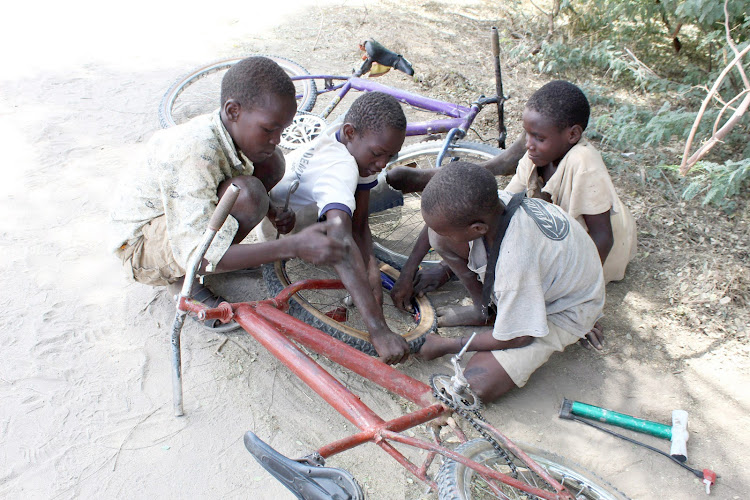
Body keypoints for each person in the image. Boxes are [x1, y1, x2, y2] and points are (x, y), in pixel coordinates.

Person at [111, 57, 346, 332]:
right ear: (233, 111)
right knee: (247, 195)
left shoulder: (227, 130)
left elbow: (239, 172)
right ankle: (185, 280)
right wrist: (290, 246)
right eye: (269, 129)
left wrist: (272, 211)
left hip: (175, 217)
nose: (277, 138)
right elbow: (197, 250)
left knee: (272, 161)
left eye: (282, 129)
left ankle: (221, 258)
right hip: (140, 248)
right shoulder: (195, 153)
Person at [416, 161, 605, 404]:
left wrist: (448, 345)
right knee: (439, 237)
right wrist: (410, 266)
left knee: (475, 384)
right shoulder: (494, 203)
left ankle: (509, 316)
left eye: (447, 230)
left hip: (565, 308)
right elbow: (437, 227)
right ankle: (486, 311)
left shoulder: (514, 263)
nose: (439, 236)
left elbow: (520, 339)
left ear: (477, 229)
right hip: (541, 278)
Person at [257, 91, 410, 365]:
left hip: (297, 205)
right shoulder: (341, 168)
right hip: (284, 226)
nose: (382, 162)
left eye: (390, 154)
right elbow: (340, 239)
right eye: (378, 154)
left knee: (379, 188)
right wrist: (378, 329)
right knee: (380, 198)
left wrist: (371, 266)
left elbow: (360, 222)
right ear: (351, 132)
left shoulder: (350, 136)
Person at [505, 80, 636, 285]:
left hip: (604, 251)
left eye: (539, 138)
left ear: (572, 134)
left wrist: (574, 288)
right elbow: (507, 203)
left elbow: (603, 237)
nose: (528, 144)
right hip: (565, 240)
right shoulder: (535, 156)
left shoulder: (584, 162)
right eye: (527, 134)